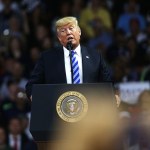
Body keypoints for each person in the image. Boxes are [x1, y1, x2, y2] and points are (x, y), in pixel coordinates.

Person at [25, 16, 118, 104]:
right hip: (58, 114)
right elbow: (32, 85)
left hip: (90, 113)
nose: (68, 32)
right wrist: (35, 96)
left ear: (79, 32)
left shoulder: (95, 56)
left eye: (71, 28)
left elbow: (107, 83)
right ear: (59, 38)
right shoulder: (47, 58)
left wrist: (113, 95)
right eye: (63, 31)